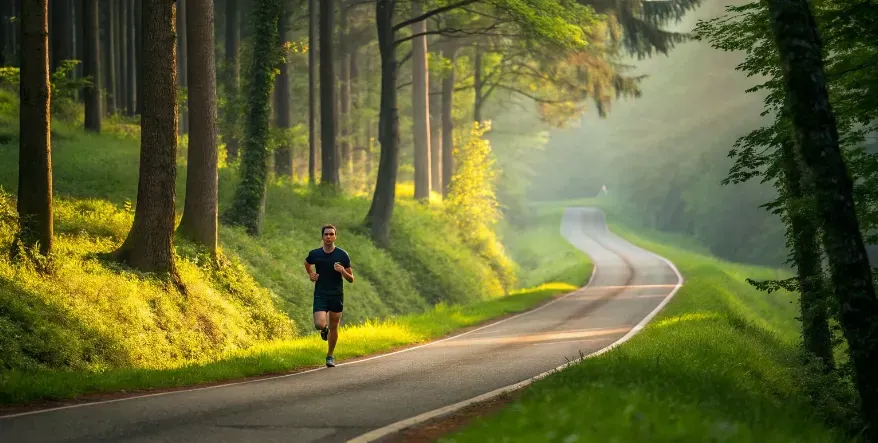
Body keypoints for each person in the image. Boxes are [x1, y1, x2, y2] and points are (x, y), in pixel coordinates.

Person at [304, 224, 354, 367]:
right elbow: (307, 263)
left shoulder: (342, 255)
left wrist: (342, 271)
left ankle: (330, 355)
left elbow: (351, 279)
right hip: (321, 293)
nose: (328, 237)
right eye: (326, 234)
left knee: (334, 326)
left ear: (335, 236)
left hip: (336, 295)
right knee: (319, 324)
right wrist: (310, 274)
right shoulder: (315, 254)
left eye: (331, 234)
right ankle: (323, 330)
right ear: (322, 236)